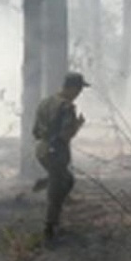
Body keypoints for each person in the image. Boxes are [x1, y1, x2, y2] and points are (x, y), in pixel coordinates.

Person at [32, 71, 89, 240]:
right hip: (56, 152)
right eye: (78, 90)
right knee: (56, 192)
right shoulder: (67, 107)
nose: (79, 94)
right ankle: (50, 229)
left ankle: (48, 181)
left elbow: (35, 131)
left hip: (41, 150)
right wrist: (77, 126)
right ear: (71, 88)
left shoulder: (45, 103)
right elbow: (65, 135)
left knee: (67, 180)